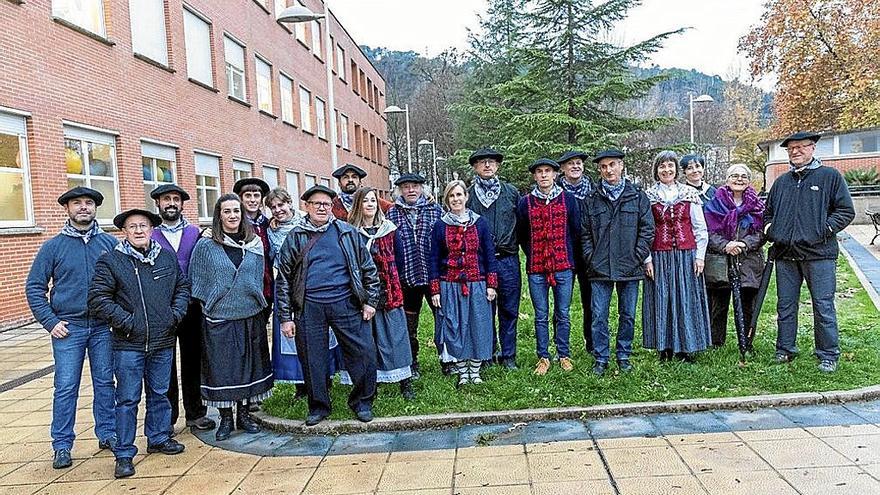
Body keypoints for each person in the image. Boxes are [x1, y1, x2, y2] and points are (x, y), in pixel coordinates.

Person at [89, 209, 190, 479]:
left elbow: (182, 288)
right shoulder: (111, 261)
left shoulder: (166, 258)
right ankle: (123, 453)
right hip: (128, 345)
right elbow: (98, 299)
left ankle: (158, 437)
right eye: (132, 226)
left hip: (162, 341)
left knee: (160, 393)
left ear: (151, 229)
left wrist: (175, 315)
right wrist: (129, 322)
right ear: (124, 231)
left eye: (143, 225)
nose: (138, 230)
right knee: (127, 399)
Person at [25, 187, 118, 470]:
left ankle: (108, 433)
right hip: (69, 328)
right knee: (66, 387)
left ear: (95, 208)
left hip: (103, 328)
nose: (83, 208)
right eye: (77, 203)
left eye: (89, 203)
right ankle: (62, 445)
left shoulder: (110, 244)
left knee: (105, 384)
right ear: (67, 209)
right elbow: (34, 288)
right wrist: (50, 322)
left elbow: (123, 285)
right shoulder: (53, 247)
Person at [276, 185, 381, 426]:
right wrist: (285, 317)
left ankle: (362, 401)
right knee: (313, 358)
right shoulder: (296, 236)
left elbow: (368, 269)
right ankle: (318, 406)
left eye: (326, 204)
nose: (322, 208)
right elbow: (284, 278)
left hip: (346, 302)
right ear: (307, 207)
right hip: (309, 306)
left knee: (363, 352)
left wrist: (370, 301)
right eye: (316, 204)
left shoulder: (346, 232)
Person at [765, 131, 854, 372]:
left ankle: (827, 354)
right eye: (791, 148)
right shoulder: (781, 182)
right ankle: (785, 349)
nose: (796, 152)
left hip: (819, 255)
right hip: (785, 256)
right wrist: (773, 230)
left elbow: (846, 211)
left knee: (823, 305)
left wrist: (823, 230)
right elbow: (768, 213)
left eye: (801, 147)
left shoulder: (830, 177)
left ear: (812, 148)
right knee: (785, 306)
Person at [189, 194, 273, 441]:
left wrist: (255, 299)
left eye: (236, 211)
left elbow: (259, 277)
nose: (233, 216)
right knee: (223, 369)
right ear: (219, 215)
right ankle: (225, 417)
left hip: (249, 313)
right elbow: (198, 279)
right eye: (227, 211)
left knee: (249, 366)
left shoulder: (254, 243)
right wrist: (213, 301)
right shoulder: (206, 245)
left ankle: (244, 415)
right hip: (220, 316)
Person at [581, 150, 654, 376]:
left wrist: (637, 255)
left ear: (621, 166)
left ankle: (623, 355)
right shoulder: (591, 199)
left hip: (629, 266)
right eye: (603, 167)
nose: (608, 170)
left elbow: (647, 229)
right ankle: (601, 357)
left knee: (628, 315)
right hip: (600, 267)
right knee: (599, 315)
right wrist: (591, 258)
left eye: (612, 165)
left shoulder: (637, 196)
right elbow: (584, 234)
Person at [149, 184, 216, 433]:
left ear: (182, 204)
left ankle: (195, 413)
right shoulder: (150, 235)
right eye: (166, 199)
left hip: (192, 307)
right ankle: (167, 417)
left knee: (193, 361)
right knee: (163, 364)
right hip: (161, 309)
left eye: (176, 199)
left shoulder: (195, 233)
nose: (171, 203)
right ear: (158, 203)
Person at [265, 187, 339, 396]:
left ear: (290, 203)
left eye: (281, 204)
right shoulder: (270, 230)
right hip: (287, 285)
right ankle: (300, 382)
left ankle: (326, 377)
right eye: (273, 207)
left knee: (321, 335)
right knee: (292, 336)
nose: (278, 210)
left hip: (313, 287)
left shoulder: (305, 222)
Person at [642, 150, 712, 361]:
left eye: (670, 166)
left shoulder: (689, 194)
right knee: (662, 298)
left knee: (685, 298)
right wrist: (647, 259)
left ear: (676, 169)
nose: (667, 170)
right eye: (662, 166)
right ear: (657, 170)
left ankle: (686, 347)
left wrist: (700, 257)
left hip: (686, 254)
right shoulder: (649, 195)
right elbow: (645, 229)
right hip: (659, 255)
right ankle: (664, 347)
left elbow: (700, 228)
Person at [346, 186, 415, 399]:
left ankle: (405, 381)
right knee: (368, 340)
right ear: (358, 205)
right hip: (363, 295)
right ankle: (370, 383)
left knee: (396, 337)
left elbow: (401, 262)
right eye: (365, 201)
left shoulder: (390, 230)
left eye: (373, 201)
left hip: (390, 291)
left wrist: (393, 284)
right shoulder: (349, 233)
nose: (370, 204)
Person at [429, 181, 498, 386]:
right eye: (452, 196)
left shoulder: (480, 224)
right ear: (447, 200)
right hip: (449, 284)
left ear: (466, 197)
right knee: (454, 327)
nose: (456, 199)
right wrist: (435, 290)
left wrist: (491, 284)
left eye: (459, 195)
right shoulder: (440, 226)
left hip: (477, 282)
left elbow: (489, 256)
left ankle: (474, 372)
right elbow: (433, 258)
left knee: (478, 325)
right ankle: (462, 372)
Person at [517, 158, 581, 375]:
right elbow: (523, 235)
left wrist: (562, 254)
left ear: (555, 174)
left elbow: (575, 231)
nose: (543, 175)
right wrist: (535, 253)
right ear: (534, 176)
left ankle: (563, 353)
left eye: (547, 171)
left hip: (563, 266)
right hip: (537, 268)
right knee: (541, 314)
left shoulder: (568, 200)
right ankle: (543, 356)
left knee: (563, 312)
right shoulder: (525, 203)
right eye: (539, 172)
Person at [466, 147, 521, 369]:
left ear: (498, 166)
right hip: (479, 262)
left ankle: (508, 355)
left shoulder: (511, 193)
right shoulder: (467, 195)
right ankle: (487, 353)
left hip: (507, 259)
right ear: (475, 167)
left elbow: (522, 225)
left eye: (491, 162)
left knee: (509, 308)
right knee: (484, 310)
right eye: (482, 162)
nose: (487, 165)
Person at [386, 173, 443, 378]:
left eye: (415, 186)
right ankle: (412, 362)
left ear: (422, 189)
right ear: (399, 190)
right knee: (408, 325)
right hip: (406, 277)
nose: (411, 190)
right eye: (406, 187)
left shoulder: (434, 210)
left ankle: (447, 359)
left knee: (443, 319)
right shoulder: (392, 214)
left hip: (433, 275)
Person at [703, 164, 766, 348]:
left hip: (749, 261)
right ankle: (715, 342)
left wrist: (745, 244)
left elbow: (762, 232)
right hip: (721, 261)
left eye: (744, 176)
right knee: (718, 305)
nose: (739, 179)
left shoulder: (757, 204)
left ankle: (746, 341)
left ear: (749, 180)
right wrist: (726, 245)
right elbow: (708, 231)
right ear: (727, 180)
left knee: (748, 305)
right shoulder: (715, 202)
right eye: (735, 176)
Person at [557, 150, 595, 354]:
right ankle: (561, 346)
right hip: (563, 254)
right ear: (562, 169)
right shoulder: (556, 194)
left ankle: (592, 342)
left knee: (591, 301)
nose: (575, 166)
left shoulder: (594, 191)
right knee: (562, 304)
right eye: (570, 163)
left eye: (578, 162)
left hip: (589, 254)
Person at [233, 178, 274, 319]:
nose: (252, 200)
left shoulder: (269, 225)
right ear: (241, 199)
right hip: (243, 287)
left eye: (256, 196)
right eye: (248, 196)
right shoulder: (234, 225)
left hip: (266, 285)